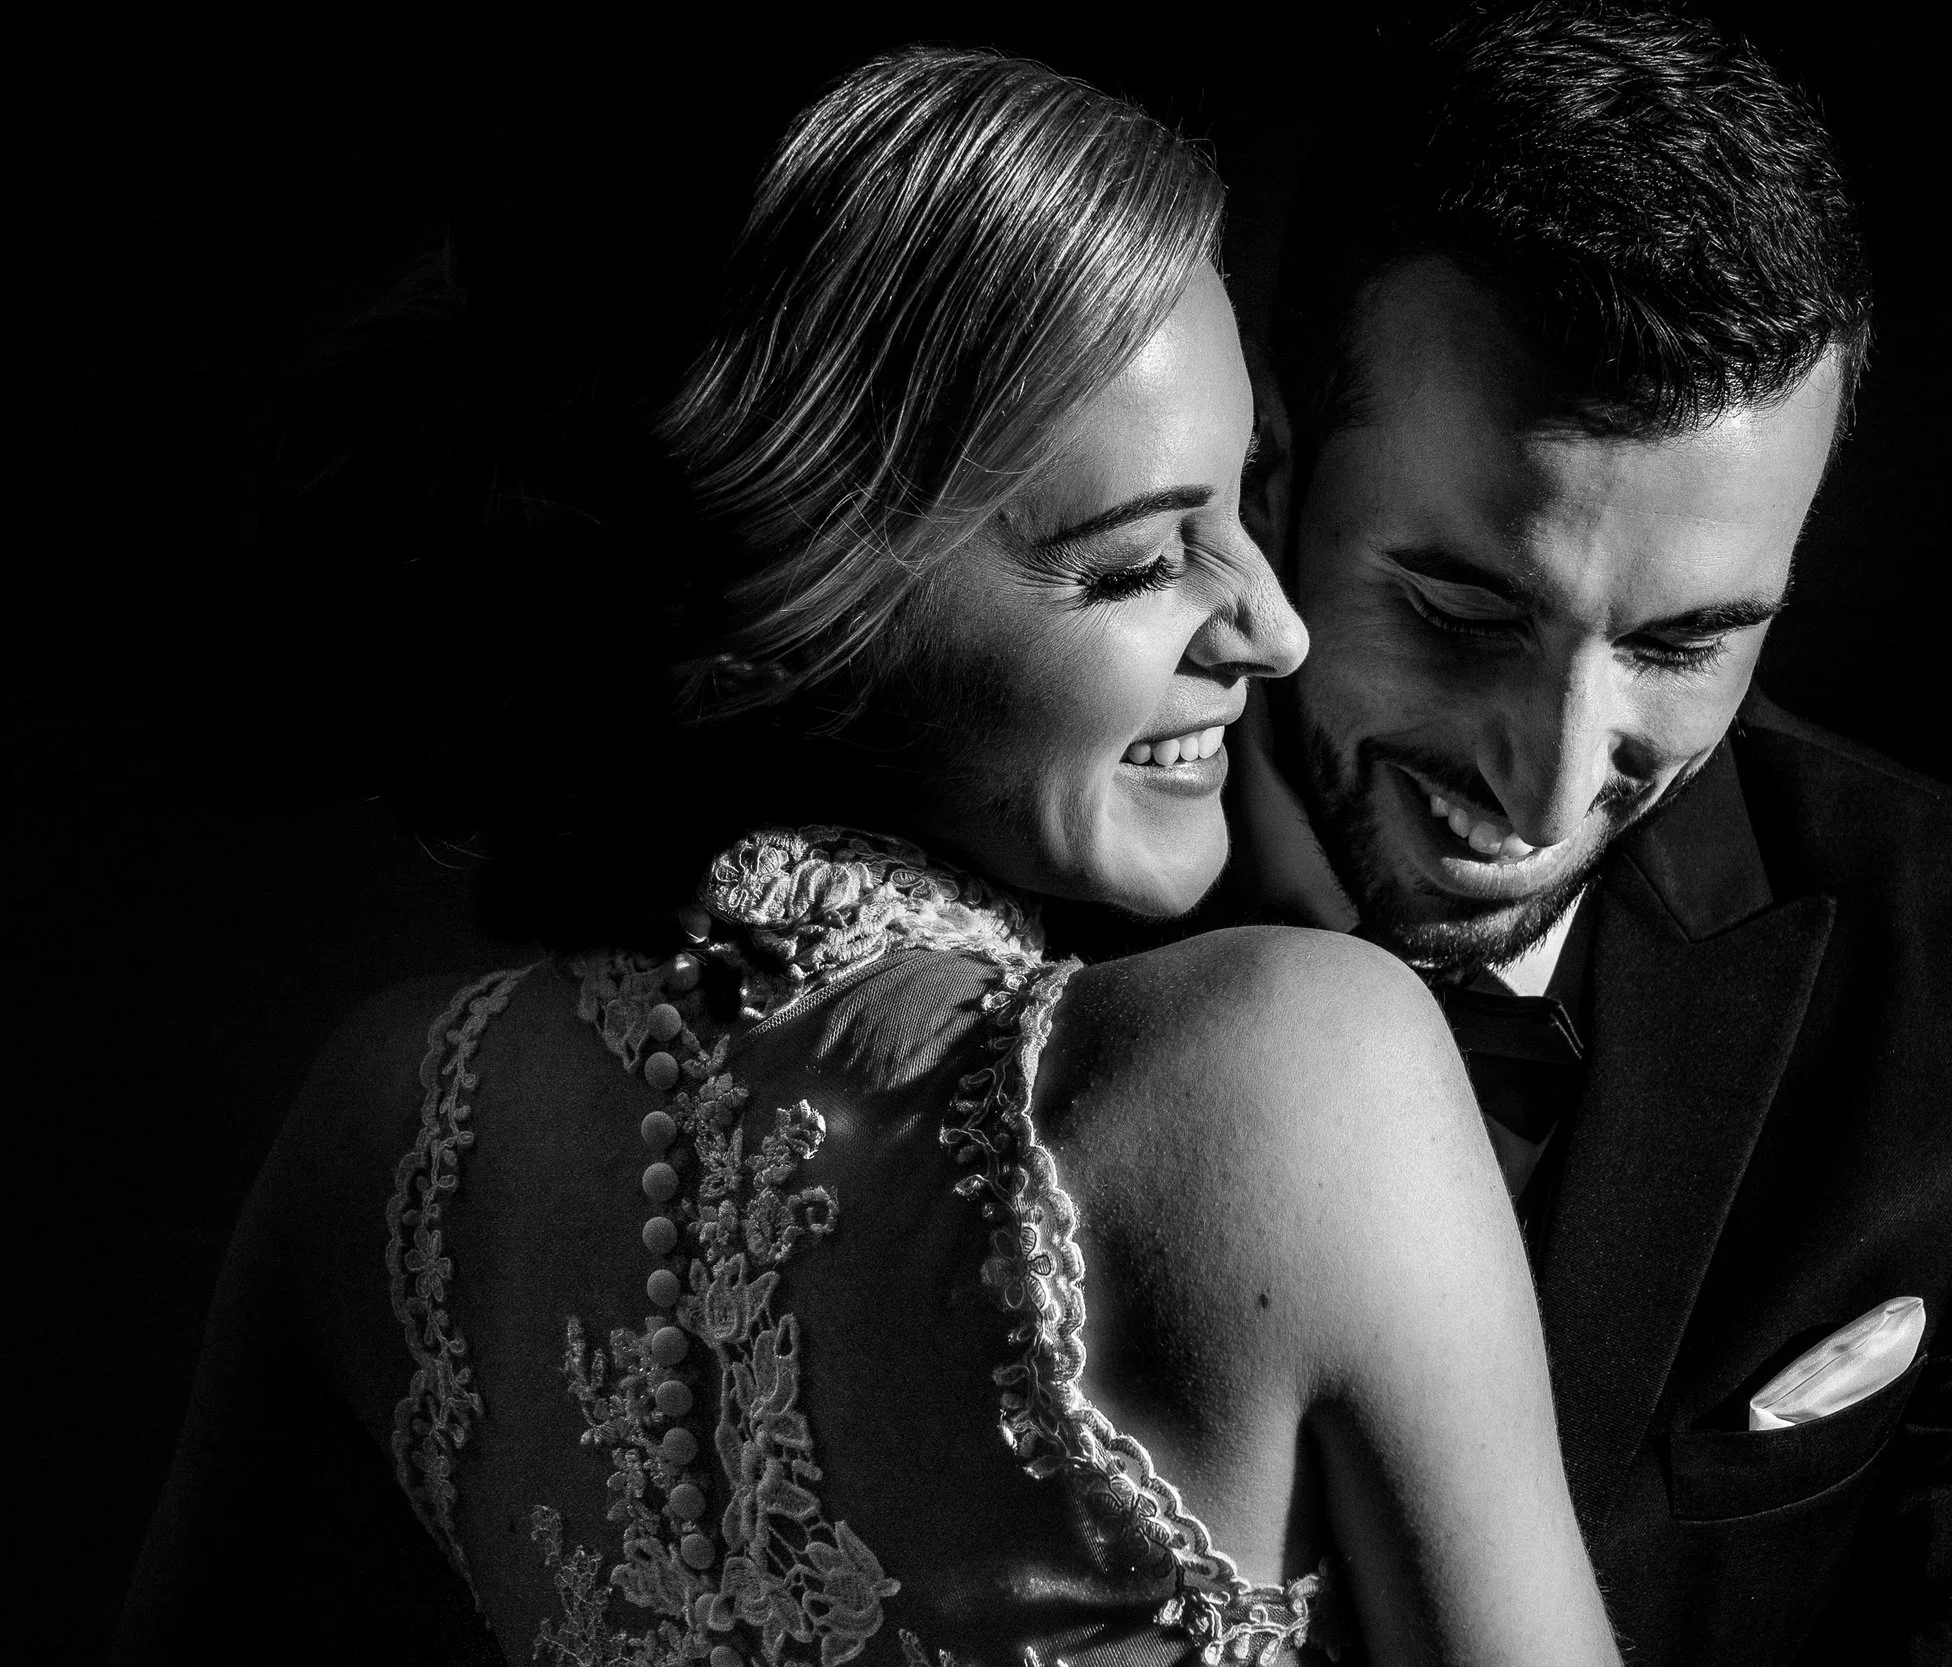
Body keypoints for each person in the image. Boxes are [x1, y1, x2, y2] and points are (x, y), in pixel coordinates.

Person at [113, 49, 1620, 1667]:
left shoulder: (389, 1132)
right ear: (786, 626)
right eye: (1133, 563)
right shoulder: (1296, 1068)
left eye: (1247, 497)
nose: (1273, 624)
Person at [1219, 4, 1952, 1661]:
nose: (1549, 786)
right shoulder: (943, 937)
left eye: (1684, 645)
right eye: (1461, 611)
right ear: (1272, 477)